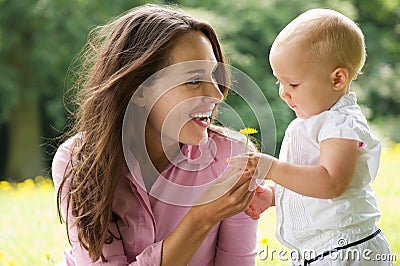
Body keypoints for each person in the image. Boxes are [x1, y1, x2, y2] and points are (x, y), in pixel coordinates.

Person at [52, 4, 259, 265]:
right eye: (194, 80)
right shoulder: (79, 161)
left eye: (214, 76)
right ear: (140, 91)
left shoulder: (234, 159)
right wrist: (202, 218)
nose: (217, 95)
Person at [231, 8, 393, 265]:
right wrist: (275, 195)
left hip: (345, 250)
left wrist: (271, 167)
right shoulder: (315, 122)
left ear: (337, 79)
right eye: (279, 83)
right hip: (322, 250)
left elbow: (330, 183)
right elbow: (311, 180)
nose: (284, 93)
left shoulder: (340, 124)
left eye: (293, 84)